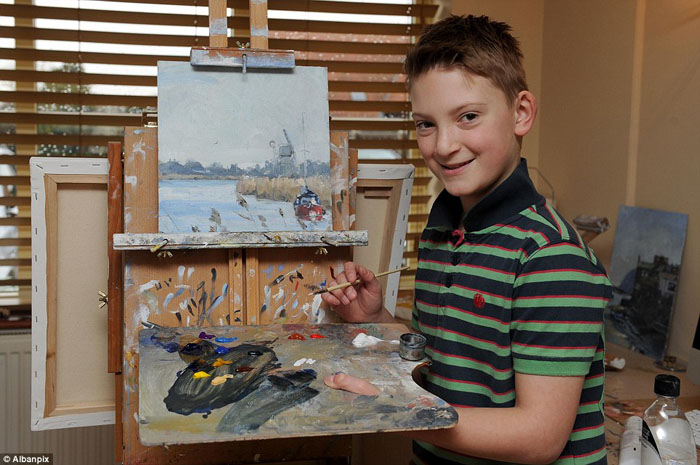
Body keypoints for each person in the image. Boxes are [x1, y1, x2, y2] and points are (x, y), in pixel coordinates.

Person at [321, 14, 612, 465]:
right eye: (425, 124)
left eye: (468, 117)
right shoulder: (443, 231)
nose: (443, 145)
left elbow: (539, 438)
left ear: (521, 113)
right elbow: (447, 361)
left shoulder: (550, 256)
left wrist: (397, 410)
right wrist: (376, 318)